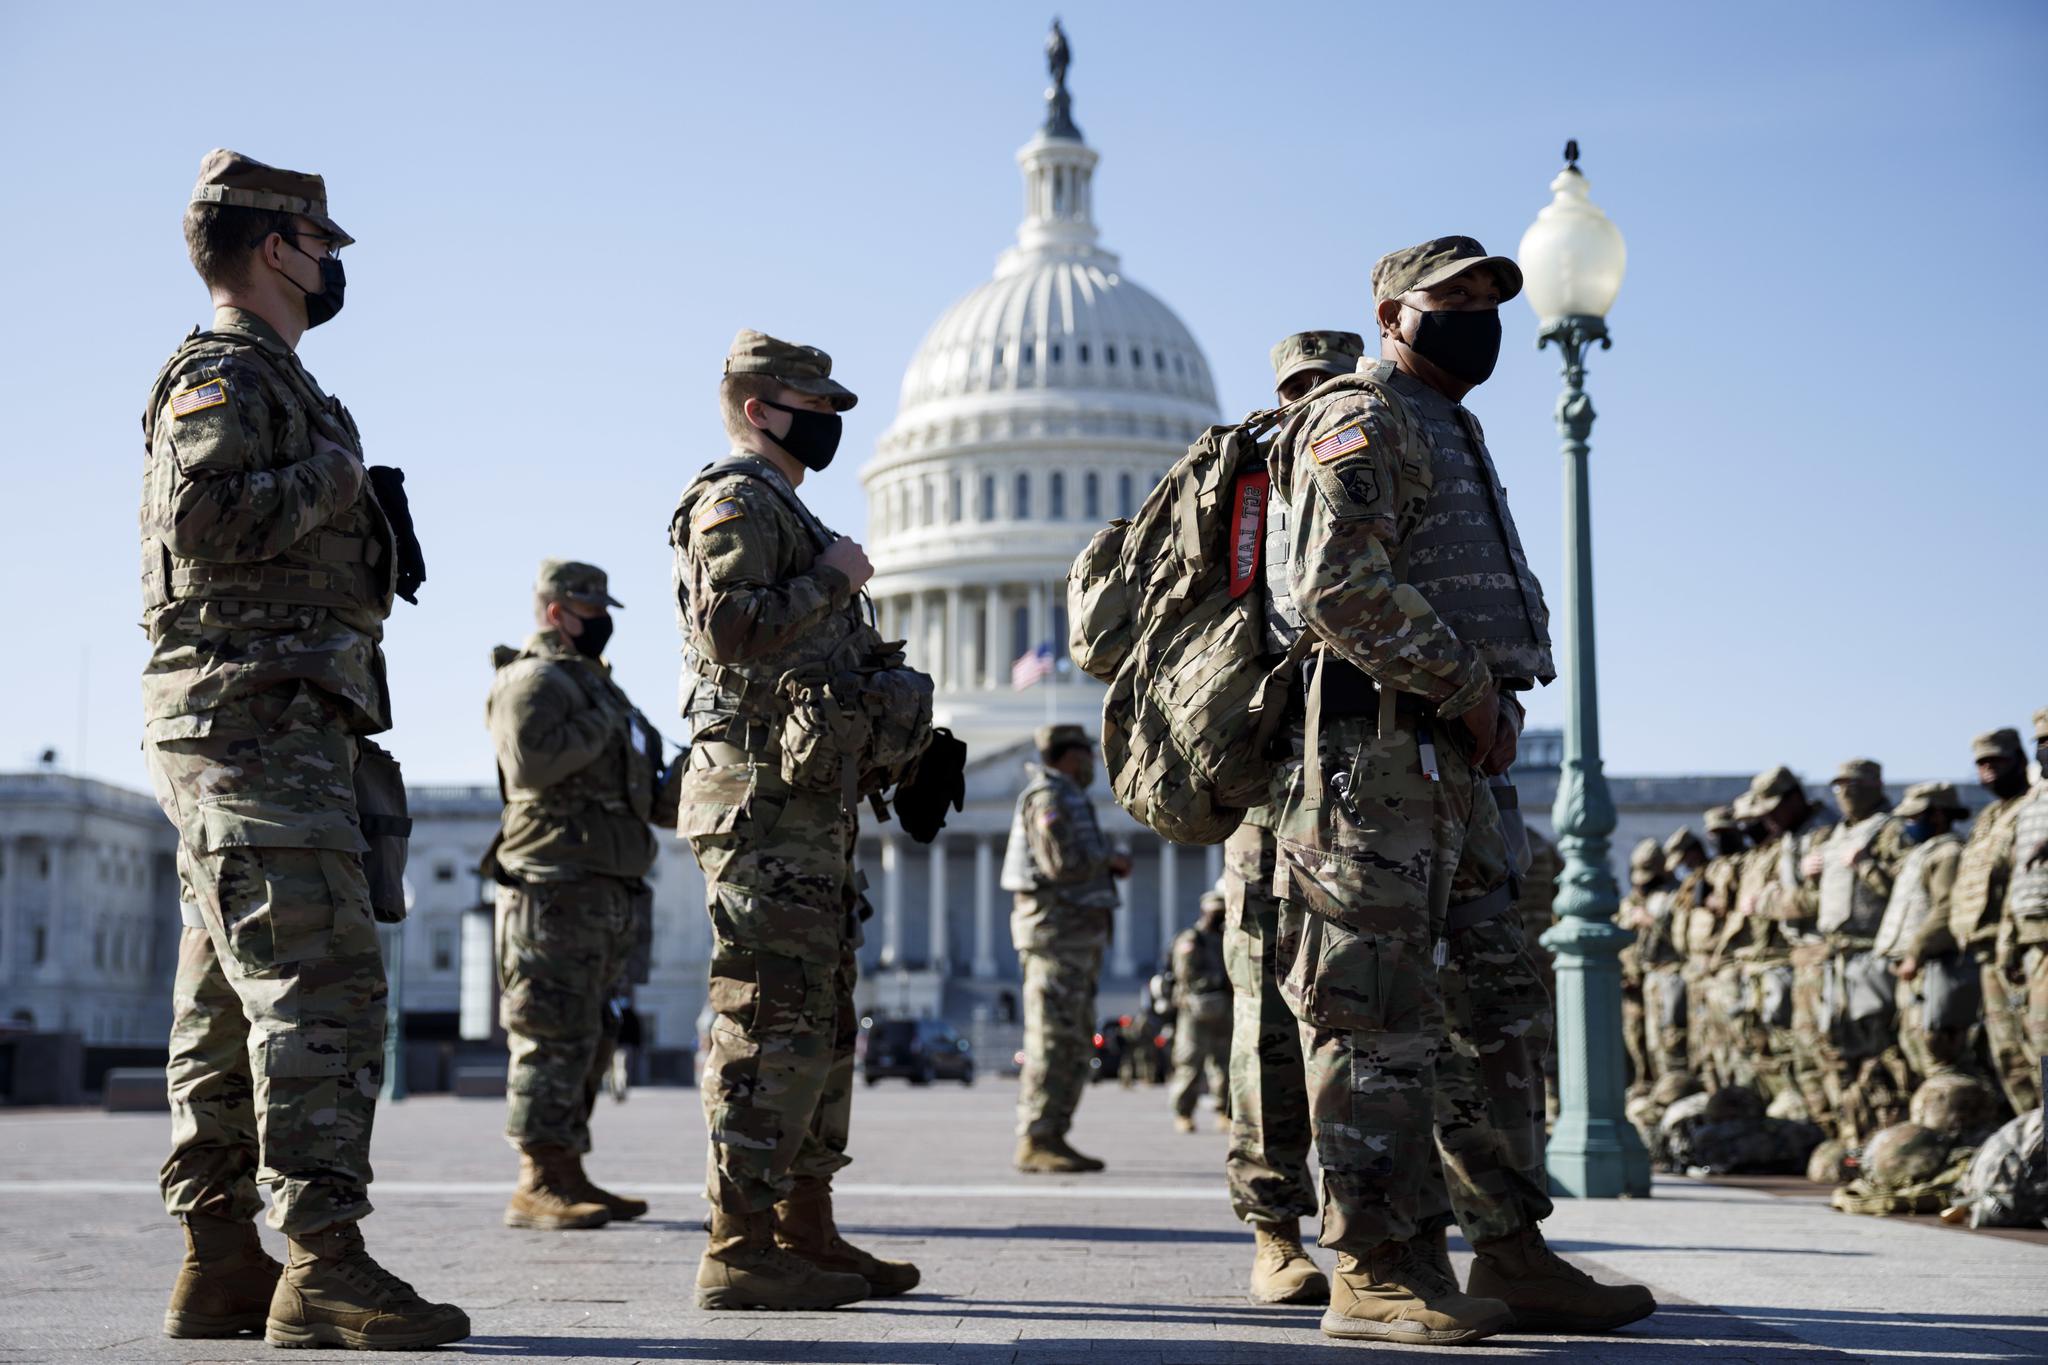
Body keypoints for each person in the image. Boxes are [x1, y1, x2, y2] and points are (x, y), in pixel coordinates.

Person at [1262, 237, 1651, 1344]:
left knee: (1494, 1014)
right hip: (1379, 761)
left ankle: (1510, 1249)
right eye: (1453, 297)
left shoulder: (1450, 424)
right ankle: (1374, 1269)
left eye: (1489, 298)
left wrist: (1487, 706)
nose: (1477, 314)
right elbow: (1336, 584)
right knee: (1371, 1013)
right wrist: (1469, 687)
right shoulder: (1361, 415)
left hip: (1461, 763)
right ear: (1391, 312)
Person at [142, 150, 465, 1350]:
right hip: (255, 719)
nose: (331, 268)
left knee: (227, 996)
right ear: (278, 246)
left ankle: (219, 1257)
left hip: (264, 718)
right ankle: (324, 1259)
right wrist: (339, 481)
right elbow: (203, 519)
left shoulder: (271, 378)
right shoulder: (227, 371)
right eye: (323, 246)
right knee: (320, 985)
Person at [670, 329, 927, 1309]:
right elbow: (730, 632)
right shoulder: (734, 501)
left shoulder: (790, 510)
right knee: (766, 1017)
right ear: (756, 408)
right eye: (810, 406)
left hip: (806, 805)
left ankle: (802, 1224)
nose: (827, 425)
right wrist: (835, 581)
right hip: (758, 804)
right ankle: (737, 1244)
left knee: (819, 1023)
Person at [1213, 332, 1368, 1307]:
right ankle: (1275, 1227)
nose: (1317, 408)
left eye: (1330, 390)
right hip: (1274, 776)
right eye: (1300, 392)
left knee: (1377, 1006)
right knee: (1267, 1007)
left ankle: (1376, 1224)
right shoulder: (1240, 492)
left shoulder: (1393, 466)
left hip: (1381, 773)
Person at [485, 559, 668, 1231]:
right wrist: (603, 724)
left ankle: (568, 1166)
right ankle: (537, 1177)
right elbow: (530, 762)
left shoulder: (598, 688)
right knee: (548, 1031)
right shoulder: (535, 680)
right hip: (553, 886)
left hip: (606, 888)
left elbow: (641, 788)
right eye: (591, 611)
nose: (603, 622)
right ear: (558, 612)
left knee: (592, 1033)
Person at [1003, 724, 1129, 1173]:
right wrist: (1108, 860)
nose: (1093, 764)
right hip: (1056, 938)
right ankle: (1036, 1136)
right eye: (1088, 755)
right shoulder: (1049, 798)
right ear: (1071, 756)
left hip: (1073, 939)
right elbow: (1061, 863)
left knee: (1072, 1041)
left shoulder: (1066, 796)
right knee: (1052, 1040)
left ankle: (1053, 1133)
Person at [1793, 759, 1910, 1143]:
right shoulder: (1830, 838)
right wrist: (1811, 879)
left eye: (1854, 785)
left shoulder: (1892, 831)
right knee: (1836, 1051)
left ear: (1876, 785)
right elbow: (1814, 905)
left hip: (1870, 954)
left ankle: (1887, 1133)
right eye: (1839, 786)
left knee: (1879, 1049)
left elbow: (1907, 889)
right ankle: (1851, 1135)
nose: (1845, 794)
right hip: (1833, 957)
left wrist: (1868, 867)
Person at [1924, 728, 2038, 1116]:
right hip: (1985, 953)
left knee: (2037, 1049)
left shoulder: (2033, 807)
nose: (1988, 771)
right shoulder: (1989, 817)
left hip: (2020, 946)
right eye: (1981, 764)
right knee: (2008, 1056)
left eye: (1997, 762)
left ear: (2021, 761)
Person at [1879, 782, 1974, 1089]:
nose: (1909, 825)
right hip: (1918, 972)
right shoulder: (1921, 853)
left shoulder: (1948, 852)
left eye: (1915, 817)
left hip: (1936, 968)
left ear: (1937, 815)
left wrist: (1916, 951)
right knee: (1914, 1051)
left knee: (1939, 1054)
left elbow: (1947, 908)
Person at [1169, 891, 1233, 1133]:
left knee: (1224, 1064)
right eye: (1214, 913)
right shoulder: (1191, 939)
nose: (1218, 918)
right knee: (1189, 1062)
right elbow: (1186, 975)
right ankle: (1183, 1113)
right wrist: (1219, 980)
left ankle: (1223, 1111)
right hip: (1196, 1010)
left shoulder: (1227, 937)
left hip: (1223, 1008)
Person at [2006, 709, 2048, 1073]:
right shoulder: (2035, 800)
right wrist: (2009, 939)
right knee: (2037, 1044)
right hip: (2033, 937)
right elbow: (2016, 880)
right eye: (2041, 743)